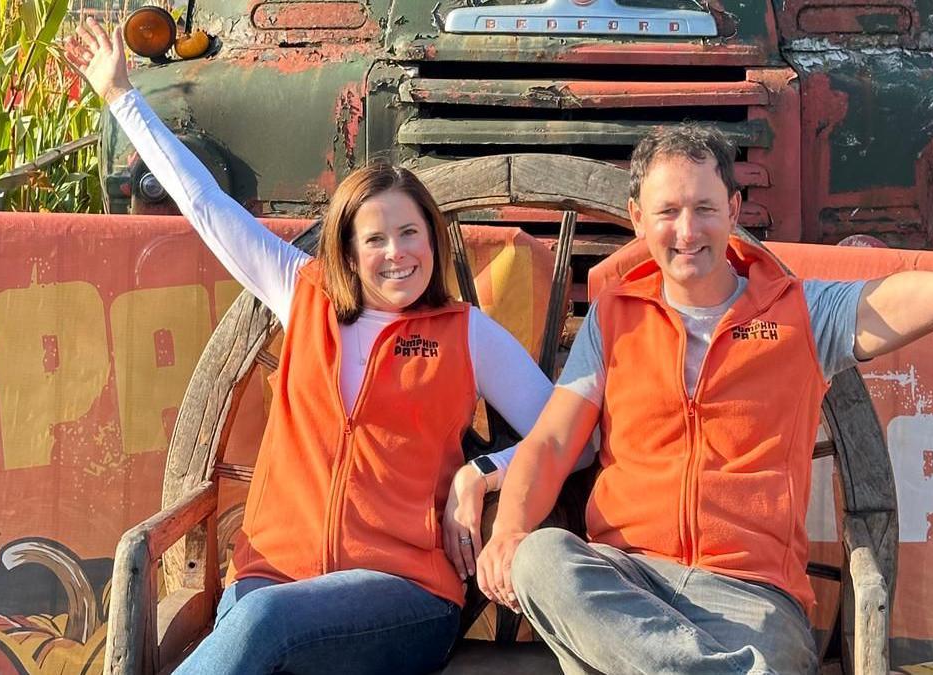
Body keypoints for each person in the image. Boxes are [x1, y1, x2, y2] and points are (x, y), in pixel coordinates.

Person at [475, 74, 933, 674]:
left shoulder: (806, 313)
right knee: (540, 559)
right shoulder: (612, 318)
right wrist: (507, 533)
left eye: (705, 208)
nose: (687, 232)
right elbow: (552, 441)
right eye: (667, 212)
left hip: (752, 603)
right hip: (627, 589)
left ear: (734, 211)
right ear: (637, 218)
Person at [63, 18, 591, 675]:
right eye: (376, 239)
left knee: (263, 624)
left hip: (405, 593)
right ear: (346, 249)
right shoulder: (301, 292)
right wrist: (122, 97)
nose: (397, 253)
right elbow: (205, 205)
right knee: (257, 622)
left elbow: (575, 438)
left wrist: (477, 475)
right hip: (268, 580)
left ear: (432, 237)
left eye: (411, 233)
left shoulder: (465, 334)